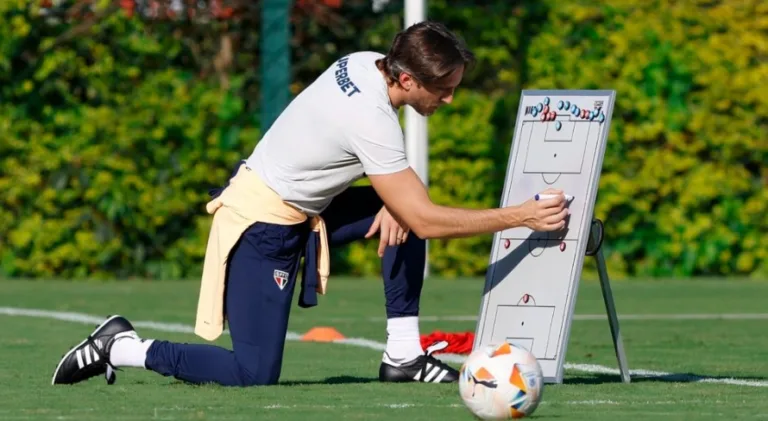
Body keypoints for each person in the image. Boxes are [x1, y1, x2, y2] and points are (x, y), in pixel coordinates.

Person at [51, 21, 569, 387]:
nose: (450, 99)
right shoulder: (371, 117)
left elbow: (408, 207)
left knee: (405, 210)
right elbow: (426, 222)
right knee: (252, 373)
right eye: (444, 89)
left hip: (308, 208)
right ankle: (122, 347)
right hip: (263, 224)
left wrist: (400, 205)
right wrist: (520, 216)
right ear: (408, 79)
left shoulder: (367, 62)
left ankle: (404, 357)